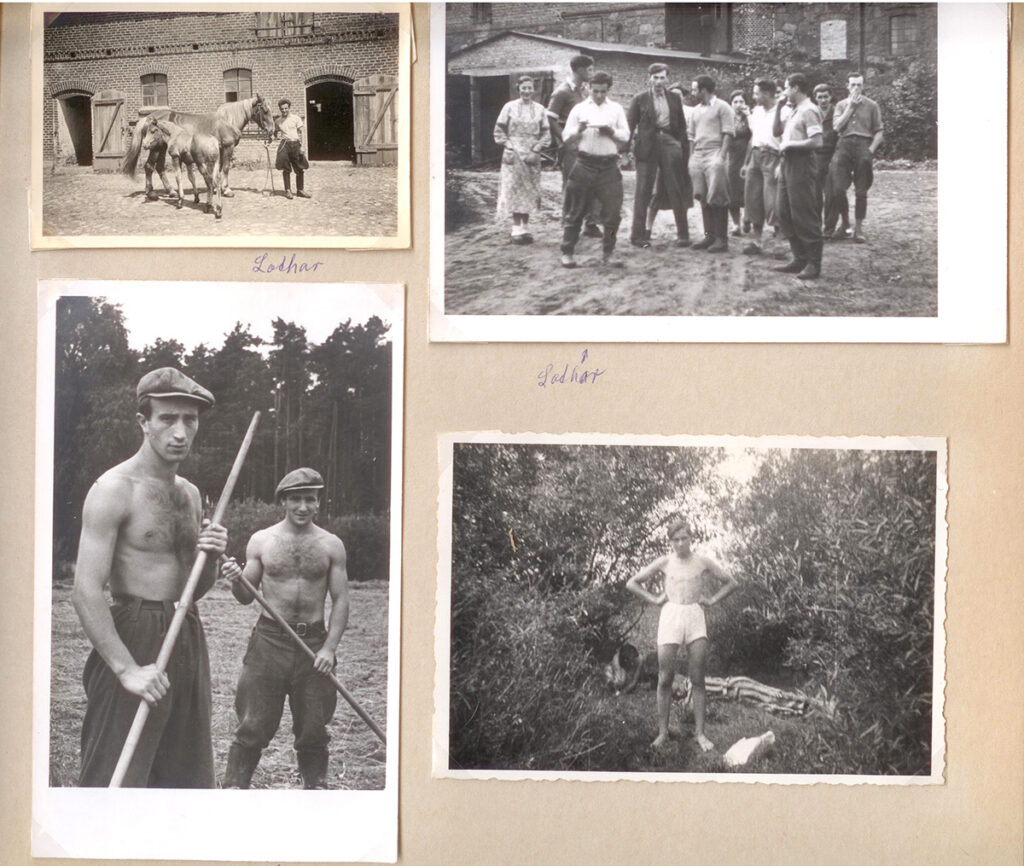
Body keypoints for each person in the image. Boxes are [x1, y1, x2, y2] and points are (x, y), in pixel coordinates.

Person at [72, 368, 229, 787]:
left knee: (186, 776)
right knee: (115, 775)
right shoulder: (113, 489)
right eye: (167, 418)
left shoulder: (191, 495)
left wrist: (210, 557)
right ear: (143, 422)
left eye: (190, 420)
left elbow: (194, 590)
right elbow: (85, 591)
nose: (180, 432)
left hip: (186, 632)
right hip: (134, 633)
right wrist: (126, 669)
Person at [220, 468, 350, 790]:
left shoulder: (331, 545)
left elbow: (341, 600)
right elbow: (243, 598)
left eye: (310, 499)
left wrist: (329, 649)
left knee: (314, 730)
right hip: (269, 643)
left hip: (314, 645)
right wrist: (236, 578)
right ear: (284, 502)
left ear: (318, 502)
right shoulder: (262, 541)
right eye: (296, 499)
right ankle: (234, 791)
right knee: (252, 725)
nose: (303, 507)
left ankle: (315, 791)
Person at [627, 520, 738, 752]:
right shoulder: (664, 562)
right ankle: (663, 733)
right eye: (675, 539)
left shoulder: (702, 561)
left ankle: (700, 733)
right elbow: (632, 583)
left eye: (684, 538)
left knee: (698, 678)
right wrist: (655, 599)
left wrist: (711, 600)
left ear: (691, 538)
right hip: (671, 616)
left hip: (695, 616)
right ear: (670, 541)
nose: (680, 543)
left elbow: (731, 582)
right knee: (665, 677)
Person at [559, 71, 630, 269]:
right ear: (588, 88)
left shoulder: (616, 109)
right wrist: (578, 130)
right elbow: (565, 137)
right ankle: (567, 252)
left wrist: (611, 132)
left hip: (608, 166)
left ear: (608, 90)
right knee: (575, 210)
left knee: (613, 213)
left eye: (603, 91)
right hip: (584, 164)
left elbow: (626, 136)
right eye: (595, 91)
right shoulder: (579, 109)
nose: (599, 95)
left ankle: (609, 253)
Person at [627, 63, 692, 249]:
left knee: (675, 188)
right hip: (647, 145)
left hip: (669, 143)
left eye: (662, 77)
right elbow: (630, 126)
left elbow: (681, 127)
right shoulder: (639, 99)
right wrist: (625, 151)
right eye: (655, 78)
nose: (658, 81)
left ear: (667, 79)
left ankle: (683, 234)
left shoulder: (674, 98)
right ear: (649, 78)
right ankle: (637, 235)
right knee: (643, 190)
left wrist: (680, 148)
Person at [772, 73, 825, 279]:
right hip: (787, 163)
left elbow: (817, 142)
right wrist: (778, 108)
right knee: (784, 212)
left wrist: (791, 145)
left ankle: (813, 263)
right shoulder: (793, 111)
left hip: (802, 164)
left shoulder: (809, 110)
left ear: (795, 88)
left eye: (786, 88)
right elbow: (777, 132)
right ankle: (799, 258)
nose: (784, 92)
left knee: (803, 213)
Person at [547, 54, 602, 239]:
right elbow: (550, 118)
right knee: (573, 185)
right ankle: (570, 224)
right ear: (579, 70)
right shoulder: (562, 92)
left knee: (593, 182)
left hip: (588, 144)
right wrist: (564, 141)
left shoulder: (585, 91)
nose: (592, 73)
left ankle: (591, 223)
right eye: (590, 69)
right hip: (572, 147)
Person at [493, 75, 551, 245]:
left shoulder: (540, 109)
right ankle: (515, 228)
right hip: (513, 153)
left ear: (534, 89)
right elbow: (499, 130)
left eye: (529, 88)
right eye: (523, 88)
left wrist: (537, 148)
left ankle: (525, 227)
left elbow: (546, 133)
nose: (527, 91)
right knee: (514, 189)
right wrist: (508, 145)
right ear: (518, 89)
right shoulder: (509, 107)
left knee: (529, 190)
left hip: (532, 155)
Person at [828, 72, 883, 243]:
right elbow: (836, 127)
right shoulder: (840, 105)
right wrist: (850, 107)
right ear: (847, 86)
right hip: (843, 145)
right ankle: (845, 225)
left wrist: (871, 149)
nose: (856, 88)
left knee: (861, 191)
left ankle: (858, 229)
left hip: (863, 146)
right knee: (837, 188)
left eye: (859, 85)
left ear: (863, 86)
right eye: (853, 85)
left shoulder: (872, 105)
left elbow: (879, 130)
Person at [687, 75, 735, 253]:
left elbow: (728, 133)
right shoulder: (695, 111)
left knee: (717, 195)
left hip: (715, 153)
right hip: (698, 155)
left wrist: (721, 157)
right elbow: (691, 136)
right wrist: (691, 157)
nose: (693, 93)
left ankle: (722, 239)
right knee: (702, 195)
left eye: (694, 89)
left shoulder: (723, 107)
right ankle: (709, 236)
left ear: (703, 90)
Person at [741, 78, 784, 257]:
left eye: (756, 93)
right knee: (753, 199)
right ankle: (756, 241)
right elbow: (753, 137)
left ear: (766, 94)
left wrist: (781, 164)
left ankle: (779, 245)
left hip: (772, 157)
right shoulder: (757, 111)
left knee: (773, 201)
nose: (754, 96)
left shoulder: (783, 111)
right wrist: (746, 162)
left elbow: (786, 140)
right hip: (756, 157)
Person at [812, 83, 850, 239]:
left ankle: (829, 229)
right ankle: (815, 227)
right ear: (815, 98)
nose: (823, 100)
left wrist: (835, 159)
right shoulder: (812, 113)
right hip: (814, 157)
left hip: (832, 157)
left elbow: (841, 137)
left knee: (831, 194)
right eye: (820, 97)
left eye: (826, 97)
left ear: (830, 97)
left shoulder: (836, 112)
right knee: (814, 195)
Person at [726, 89, 752, 237]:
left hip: (747, 154)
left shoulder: (750, 117)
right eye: (735, 102)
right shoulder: (727, 117)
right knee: (732, 191)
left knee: (749, 190)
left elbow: (755, 135)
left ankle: (747, 219)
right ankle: (736, 224)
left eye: (741, 101)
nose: (738, 104)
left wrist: (749, 116)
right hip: (732, 157)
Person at [274, 98, 310, 200]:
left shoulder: (296, 118)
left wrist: (303, 146)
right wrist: (269, 142)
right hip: (284, 145)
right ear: (280, 109)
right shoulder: (278, 121)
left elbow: (302, 132)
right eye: (282, 109)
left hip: (295, 145)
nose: (284, 111)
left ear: (289, 108)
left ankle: (300, 190)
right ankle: (288, 190)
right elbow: (275, 134)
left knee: (300, 168)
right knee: (286, 169)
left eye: (286, 108)